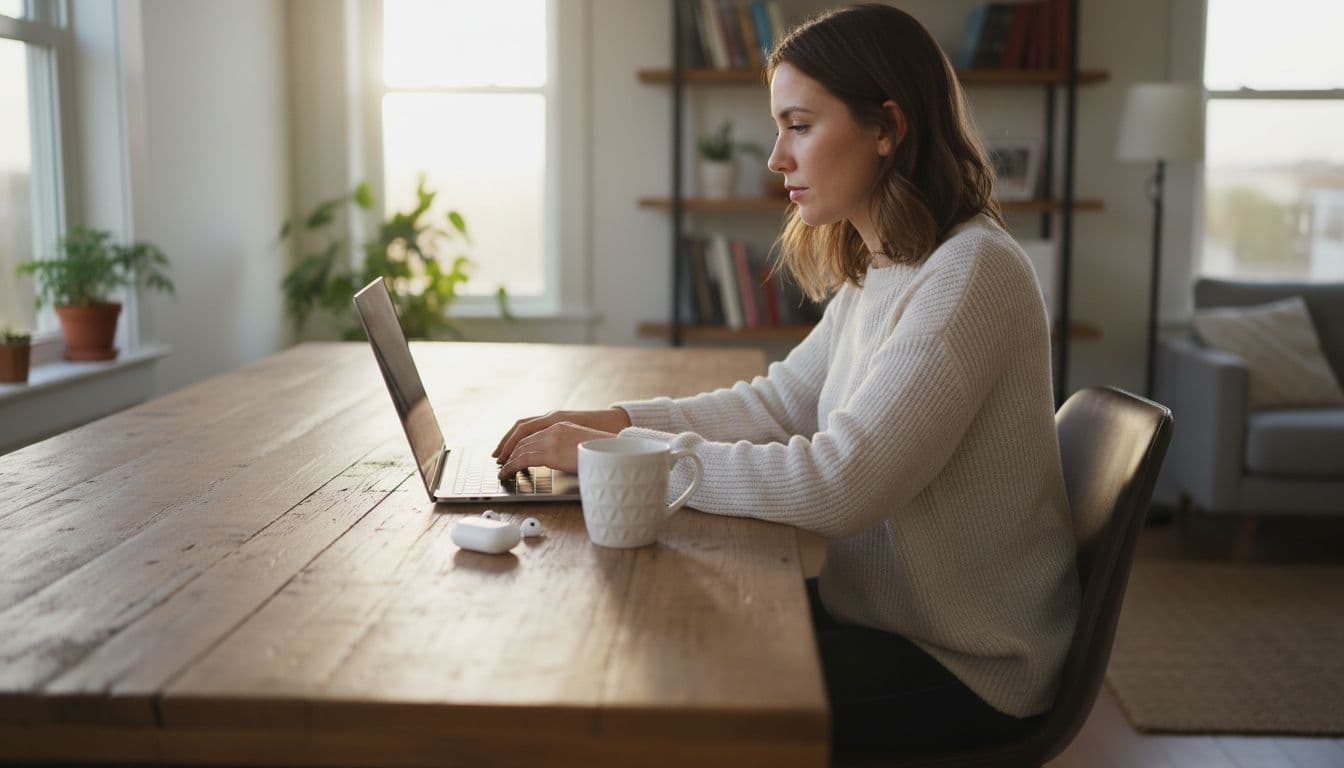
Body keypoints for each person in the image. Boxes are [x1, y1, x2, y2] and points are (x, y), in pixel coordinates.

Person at [493, 3, 1080, 755]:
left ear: (886, 129)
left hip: (966, 662)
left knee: (669, 705)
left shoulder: (969, 273)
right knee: (658, 644)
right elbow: (777, 404)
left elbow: (840, 485)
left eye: (800, 126)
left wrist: (624, 453)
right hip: (880, 617)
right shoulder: (890, 263)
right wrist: (612, 420)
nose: (776, 156)